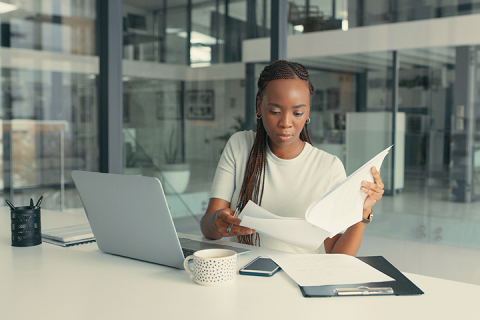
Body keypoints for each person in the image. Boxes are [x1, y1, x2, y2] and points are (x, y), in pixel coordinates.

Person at [200, 60, 384, 256]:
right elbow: (208, 227)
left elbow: (338, 256)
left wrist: (362, 212)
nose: (286, 123)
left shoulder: (328, 167)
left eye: (297, 112)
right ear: (259, 105)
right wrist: (218, 223)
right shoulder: (239, 145)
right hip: (242, 276)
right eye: (275, 111)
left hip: (298, 280)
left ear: (308, 112)